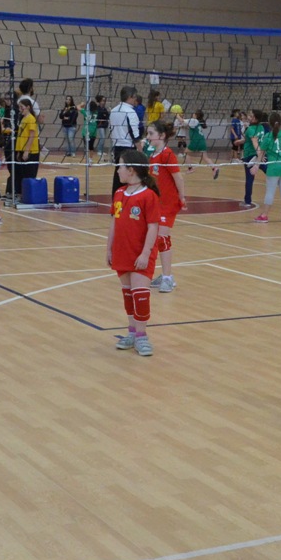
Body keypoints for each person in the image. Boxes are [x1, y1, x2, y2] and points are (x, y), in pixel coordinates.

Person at [107, 150, 160, 357]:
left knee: (140, 295)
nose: (117, 170)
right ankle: (131, 332)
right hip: (122, 251)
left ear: (131, 170)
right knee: (128, 295)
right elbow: (114, 223)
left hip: (140, 252)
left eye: (120, 166)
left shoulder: (148, 195)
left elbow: (153, 227)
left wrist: (146, 254)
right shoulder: (119, 193)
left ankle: (141, 336)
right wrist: (109, 249)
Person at [146, 119, 185, 292]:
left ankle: (168, 278)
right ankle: (165, 275)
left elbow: (178, 178)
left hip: (168, 203)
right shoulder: (153, 155)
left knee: (162, 238)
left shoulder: (167, 154)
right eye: (147, 133)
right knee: (156, 239)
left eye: (151, 134)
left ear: (161, 136)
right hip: (157, 203)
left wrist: (182, 197)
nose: (148, 137)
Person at [254, 111, 281, 223]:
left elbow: (261, 153)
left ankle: (264, 215)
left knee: (270, 191)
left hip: (274, 167)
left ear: (269, 123)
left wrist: (256, 165)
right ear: (280, 122)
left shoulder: (268, 136)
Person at [109, 85, 140, 171]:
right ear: (130, 97)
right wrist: (141, 151)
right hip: (128, 148)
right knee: (129, 173)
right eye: (135, 97)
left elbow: (110, 129)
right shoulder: (130, 112)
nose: (136, 99)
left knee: (119, 171)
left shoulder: (113, 111)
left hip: (116, 148)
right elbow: (134, 133)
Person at [240, 110, 265, 209]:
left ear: (255, 119)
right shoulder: (261, 127)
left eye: (251, 116)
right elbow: (252, 140)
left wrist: (259, 156)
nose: (248, 117)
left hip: (250, 156)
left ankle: (247, 201)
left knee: (249, 179)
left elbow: (255, 143)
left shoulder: (250, 129)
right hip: (260, 155)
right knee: (269, 171)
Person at [185, 109, 216, 176]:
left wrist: (176, 114)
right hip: (202, 141)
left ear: (196, 115)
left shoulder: (194, 120)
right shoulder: (198, 122)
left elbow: (181, 120)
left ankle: (190, 168)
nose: (193, 114)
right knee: (205, 157)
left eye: (194, 113)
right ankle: (214, 168)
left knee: (187, 153)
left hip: (195, 141)